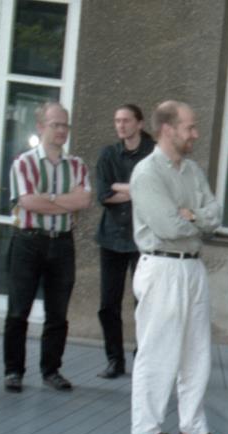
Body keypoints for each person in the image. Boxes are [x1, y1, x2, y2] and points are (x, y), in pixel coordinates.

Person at [129, 100, 224, 434]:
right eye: (190, 127)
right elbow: (168, 226)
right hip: (162, 268)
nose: (195, 134)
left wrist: (192, 215)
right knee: (158, 351)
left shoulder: (192, 170)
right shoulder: (147, 173)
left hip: (192, 268)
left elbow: (215, 215)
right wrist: (195, 220)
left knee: (196, 352)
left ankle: (192, 427)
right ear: (168, 129)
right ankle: (146, 429)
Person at [3, 102, 92, 393]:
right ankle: (13, 371)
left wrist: (48, 199)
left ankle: (51, 371)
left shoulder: (77, 165)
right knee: (19, 311)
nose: (62, 130)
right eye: (56, 125)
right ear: (40, 127)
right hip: (28, 242)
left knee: (57, 313)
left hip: (62, 243)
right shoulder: (23, 163)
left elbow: (84, 201)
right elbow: (27, 201)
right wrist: (65, 200)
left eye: (65, 125)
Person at [94, 104, 154, 378]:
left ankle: (143, 358)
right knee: (108, 304)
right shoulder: (108, 154)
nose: (121, 125)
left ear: (139, 123)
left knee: (144, 303)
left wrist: (120, 187)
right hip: (111, 237)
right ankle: (114, 360)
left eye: (126, 120)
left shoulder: (153, 153)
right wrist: (135, 190)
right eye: (117, 121)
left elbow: (154, 191)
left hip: (143, 240)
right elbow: (103, 195)